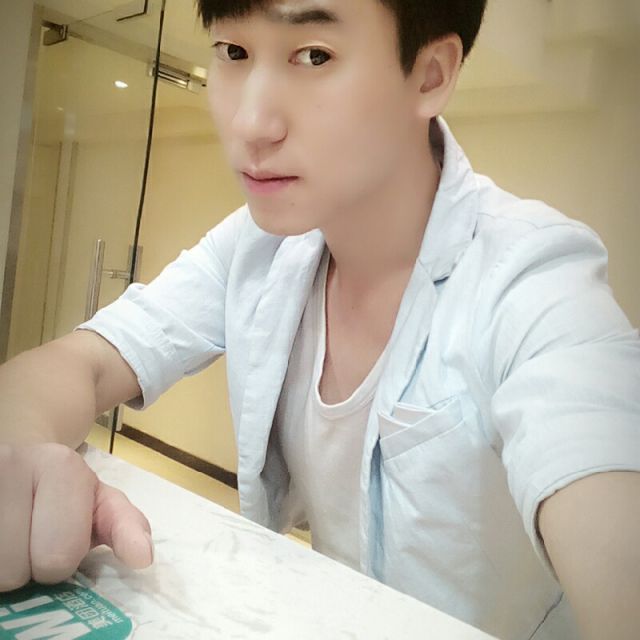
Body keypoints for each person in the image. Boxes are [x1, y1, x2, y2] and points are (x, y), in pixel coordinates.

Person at [1, 0, 639, 638]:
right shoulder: (259, 247)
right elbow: (80, 362)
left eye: (314, 55)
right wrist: (27, 459)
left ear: (430, 74)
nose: (251, 124)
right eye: (233, 51)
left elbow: (602, 477)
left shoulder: (530, 275)